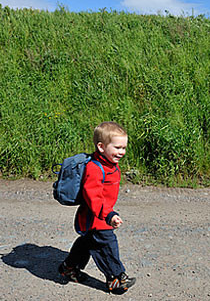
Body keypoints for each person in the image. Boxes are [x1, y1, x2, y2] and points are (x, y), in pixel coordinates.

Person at [59, 121, 136, 292]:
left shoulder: (110, 165)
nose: (121, 152)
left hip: (99, 216)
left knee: (88, 242)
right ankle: (116, 279)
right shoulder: (95, 168)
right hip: (95, 217)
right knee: (107, 244)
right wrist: (109, 215)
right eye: (117, 148)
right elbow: (94, 197)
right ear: (101, 147)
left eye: (124, 148)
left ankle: (68, 268)